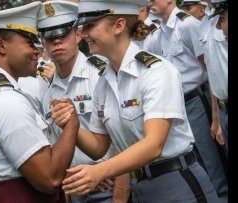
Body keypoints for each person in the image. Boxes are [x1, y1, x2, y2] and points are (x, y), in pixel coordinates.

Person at [54, 0, 220, 202]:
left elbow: (153, 144)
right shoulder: (104, 82)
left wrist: (99, 172)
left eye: (90, 26)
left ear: (119, 26)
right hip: (140, 188)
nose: (84, 34)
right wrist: (72, 123)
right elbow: (98, 147)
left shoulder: (155, 71)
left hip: (175, 184)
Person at [0, 2, 80, 202]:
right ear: (1, 46)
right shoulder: (5, 100)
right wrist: (72, 125)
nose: (37, 51)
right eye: (28, 42)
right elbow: (49, 178)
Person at [37, 1, 129, 202]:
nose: (57, 42)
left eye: (63, 34)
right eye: (50, 37)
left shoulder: (100, 74)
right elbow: (57, 146)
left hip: (110, 184)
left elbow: (126, 137)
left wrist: (118, 194)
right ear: (43, 42)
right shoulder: (48, 93)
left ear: (78, 34)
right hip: (75, 189)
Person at [149, 0, 228, 200]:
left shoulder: (187, 24)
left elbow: (209, 68)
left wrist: (215, 115)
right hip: (179, 104)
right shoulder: (159, 34)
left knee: (211, 161)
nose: (150, 2)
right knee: (197, 160)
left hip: (196, 99)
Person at [208, 0, 228, 149]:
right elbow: (213, 72)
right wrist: (217, 119)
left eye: (222, 19)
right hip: (223, 109)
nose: (218, 27)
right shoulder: (206, 21)